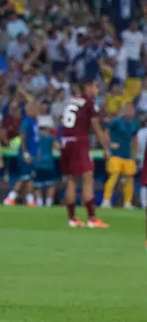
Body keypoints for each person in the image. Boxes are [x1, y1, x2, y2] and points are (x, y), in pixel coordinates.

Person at [59, 80, 110, 227]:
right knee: (88, 177)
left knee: (72, 179)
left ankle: (72, 218)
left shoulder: (71, 101)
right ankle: (92, 219)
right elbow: (95, 126)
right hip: (79, 141)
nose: (97, 90)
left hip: (65, 141)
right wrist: (105, 147)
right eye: (95, 86)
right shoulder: (88, 102)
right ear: (88, 88)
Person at [102, 102, 139, 209]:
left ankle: (127, 203)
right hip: (115, 154)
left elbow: (134, 139)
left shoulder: (134, 123)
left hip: (128, 155)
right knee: (113, 176)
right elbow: (105, 133)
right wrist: (108, 147)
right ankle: (106, 201)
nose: (129, 111)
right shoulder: (117, 121)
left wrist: (135, 154)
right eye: (127, 109)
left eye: (131, 109)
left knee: (129, 179)